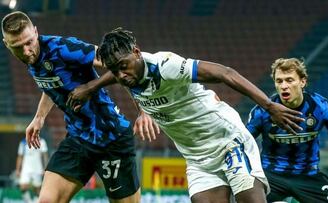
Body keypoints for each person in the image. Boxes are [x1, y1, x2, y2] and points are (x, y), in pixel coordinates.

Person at [67, 27, 305, 203]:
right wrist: (90, 87)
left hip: (228, 142)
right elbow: (117, 73)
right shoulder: (126, 72)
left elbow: (224, 72)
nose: (121, 75)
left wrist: (268, 105)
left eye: (123, 65)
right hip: (198, 159)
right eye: (114, 70)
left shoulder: (165, 66)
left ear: (137, 52)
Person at [2, 12, 157, 203]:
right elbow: (53, 82)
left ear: (36, 32)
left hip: (111, 137)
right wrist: (39, 117)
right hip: (78, 139)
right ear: (6, 44)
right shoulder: (33, 59)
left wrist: (143, 110)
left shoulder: (64, 48)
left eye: (29, 43)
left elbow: (120, 63)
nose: (26, 51)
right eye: (18, 47)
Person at [246, 58, 328, 203]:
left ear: (302, 82)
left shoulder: (321, 107)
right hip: (270, 176)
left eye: (289, 80)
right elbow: (243, 144)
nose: (284, 86)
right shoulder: (262, 111)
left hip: (308, 176)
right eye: (279, 81)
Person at [16, 137, 48, 203]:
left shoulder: (42, 141)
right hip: (26, 168)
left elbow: (45, 155)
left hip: (37, 168)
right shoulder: (23, 142)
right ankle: (29, 201)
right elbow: (20, 156)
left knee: (37, 189)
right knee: (23, 187)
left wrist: (45, 168)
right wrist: (18, 169)